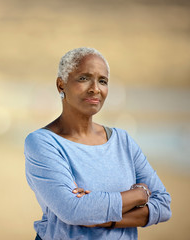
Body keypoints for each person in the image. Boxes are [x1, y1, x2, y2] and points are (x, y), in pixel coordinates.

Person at [24, 47, 171, 240]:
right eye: (84, 78)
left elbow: (163, 205)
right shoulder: (43, 143)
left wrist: (103, 218)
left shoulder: (122, 141)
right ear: (61, 85)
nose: (95, 88)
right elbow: (74, 210)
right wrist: (139, 195)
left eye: (103, 81)